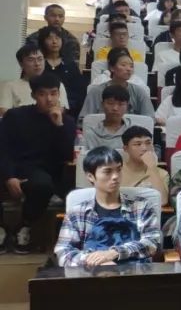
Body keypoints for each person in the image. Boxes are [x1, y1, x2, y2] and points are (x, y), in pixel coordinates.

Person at [0, 74, 75, 253]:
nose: (49, 99)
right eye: (42, 94)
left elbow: (66, 156)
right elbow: (3, 149)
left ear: (59, 95)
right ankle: (1, 227)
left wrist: (59, 126)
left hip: (41, 171)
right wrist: (9, 176)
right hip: (12, 165)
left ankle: (24, 225)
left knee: (43, 185)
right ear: (33, 95)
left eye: (53, 93)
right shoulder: (15, 116)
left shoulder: (66, 121)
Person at [54, 147, 161, 267]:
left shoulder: (141, 206)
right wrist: (96, 261)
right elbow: (63, 252)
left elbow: (152, 243)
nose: (115, 176)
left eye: (119, 170)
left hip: (134, 273)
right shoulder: (77, 213)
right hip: (91, 274)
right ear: (90, 176)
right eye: (107, 172)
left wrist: (114, 253)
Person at [0, 44, 70, 116]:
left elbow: (60, 110)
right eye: (31, 60)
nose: (37, 63)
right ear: (21, 63)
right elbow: (3, 111)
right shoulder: (9, 86)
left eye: (40, 59)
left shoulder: (56, 84)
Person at [118, 126, 169, 201]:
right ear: (126, 149)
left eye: (148, 143)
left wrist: (152, 168)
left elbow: (163, 201)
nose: (144, 148)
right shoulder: (116, 171)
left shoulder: (162, 174)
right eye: (138, 144)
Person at [81, 85, 133, 150]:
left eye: (121, 104)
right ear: (102, 105)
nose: (115, 108)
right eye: (110, 103)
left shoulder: (134, 133)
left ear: (127, 106)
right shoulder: (91, 133)